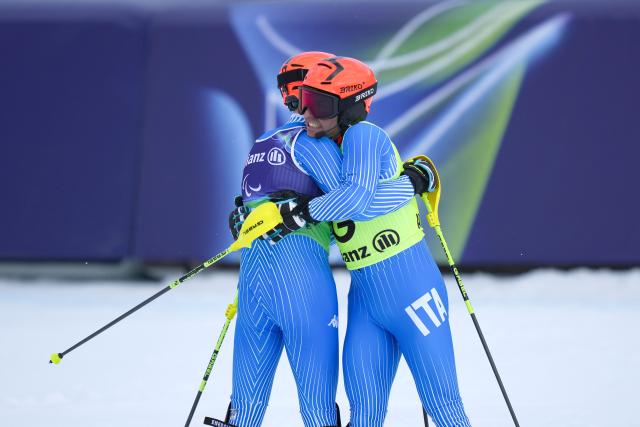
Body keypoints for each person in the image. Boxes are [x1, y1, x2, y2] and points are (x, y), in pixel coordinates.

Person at [210, 52, 416, 427]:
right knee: (318, 408)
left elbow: (246, 210)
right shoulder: (317, 143)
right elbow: (356, 204)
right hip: (301, 284)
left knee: (244, 407)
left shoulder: (263, 140)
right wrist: (413, 183)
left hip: (253, 281)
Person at [265, 56, 472, 427]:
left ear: (352, 108)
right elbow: (345, 214)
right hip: (366, 301)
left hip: (414, 292)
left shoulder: (364, 134)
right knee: (364, 416)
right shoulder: (320, 147)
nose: (308, 114)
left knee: (445, 410)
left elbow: (358, 202)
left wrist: (302, 211)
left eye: (321, 105)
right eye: (304, 100)